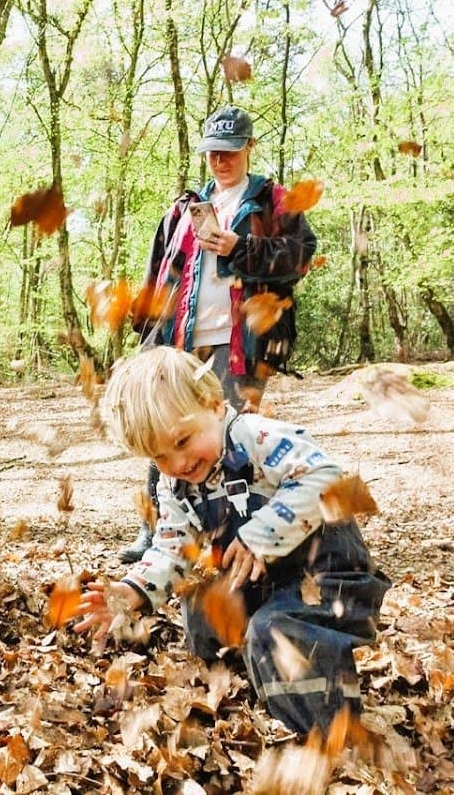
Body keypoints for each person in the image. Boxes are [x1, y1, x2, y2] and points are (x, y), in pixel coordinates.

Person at [79, 347, 389, 735]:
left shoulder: (255, 436)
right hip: (262, 582)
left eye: (182, 441)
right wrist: (130, 592)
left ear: (213, 404)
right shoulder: (177, 484)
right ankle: (251, 679)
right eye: (159, 457)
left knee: (276, 630)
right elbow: (172, 547)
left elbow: (325, 478)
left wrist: (261, 534)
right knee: (202, 606)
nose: (177, 464)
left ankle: (322, 728)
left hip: (327, 577)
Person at [119, 105, 317, 563]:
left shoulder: (274, 201)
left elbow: (300, 258)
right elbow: (158, 272)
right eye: (212, 153)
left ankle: (237, 531)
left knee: (227, 435)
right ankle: (154, 531)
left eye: (229, 152)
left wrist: (240, 248)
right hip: (181, 338)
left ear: (249, 148)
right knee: (162, 429)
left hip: (241, 341)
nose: (220, 161)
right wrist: (146, 333)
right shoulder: (185, 207)